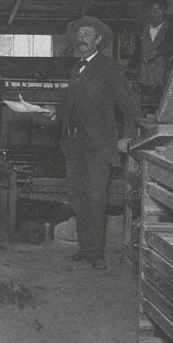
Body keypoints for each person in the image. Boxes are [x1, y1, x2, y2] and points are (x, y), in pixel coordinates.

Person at [51, 16, 140, 270]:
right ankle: (85, 248)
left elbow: (130, 105)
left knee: (96, 197)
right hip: (75, 145)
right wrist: (53, 113)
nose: (81, 38)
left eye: (87, 34)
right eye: (79, 34)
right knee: (77, 197)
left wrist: (126, 135)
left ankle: (97, 253)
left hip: (99, 146)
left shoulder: (109, 68)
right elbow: (69, 105)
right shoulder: (75, 69)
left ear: (98, 40)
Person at [139, 0, 173, 100]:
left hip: (164, 87)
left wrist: (156, 52)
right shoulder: (142, 30)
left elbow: (171, 43)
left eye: (158, 9)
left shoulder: (172, 29)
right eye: (152, 10)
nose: (154, 13)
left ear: (165, 12)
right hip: (143, 87)